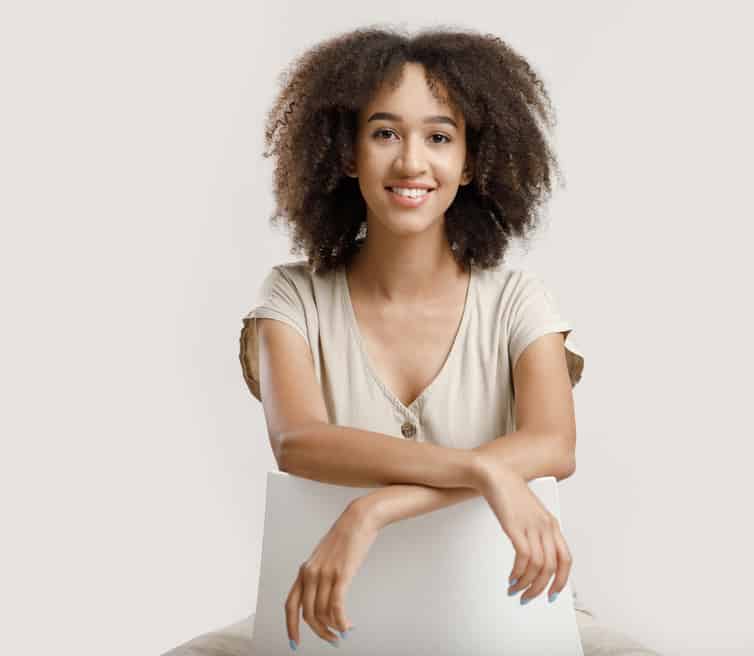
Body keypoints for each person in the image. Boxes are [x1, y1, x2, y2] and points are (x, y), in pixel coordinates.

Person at [171, 26, 617, 654]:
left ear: (470, 162)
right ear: (349, 154)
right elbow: (298, 442)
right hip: (327, 620)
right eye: (385, 133)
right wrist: (481, 470)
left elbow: (554, 445)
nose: (411, 162)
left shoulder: (518, 299)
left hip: (505, 611)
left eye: (439, 137)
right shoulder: (292, 296)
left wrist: (374, 509)